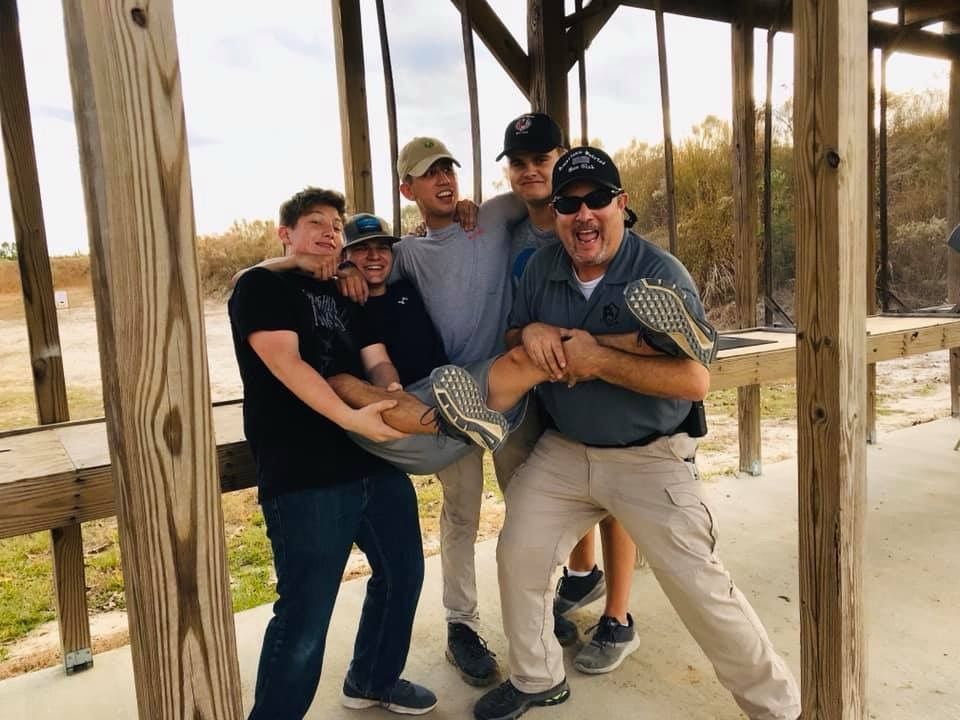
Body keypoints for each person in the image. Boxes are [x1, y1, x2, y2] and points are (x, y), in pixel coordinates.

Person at [473, 148, 800, 720]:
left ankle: (778, 708)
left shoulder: (659, 272)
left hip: (651, 455)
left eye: (598, 198)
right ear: (555, 213)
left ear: (621, 204)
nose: (584, 214)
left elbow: (695, 379)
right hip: (566, 450)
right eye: (569, 204)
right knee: (518, 553)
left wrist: (600, 359)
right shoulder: (541, 268)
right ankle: (537, 677)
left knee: (700, 586)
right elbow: (509, 339)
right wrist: (533, 330)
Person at [228, 187, 436, 718]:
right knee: (305, 616)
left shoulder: (348, 292)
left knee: (404, 572)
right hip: (305, 472)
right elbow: (288, 364)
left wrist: (391, 394)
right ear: (286, 233)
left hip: (370, 458)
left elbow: (376, 357)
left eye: (337, 226)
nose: (329, 232)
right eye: (315, 222)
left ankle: (372, 678)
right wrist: (348, 416)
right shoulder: (259, 286)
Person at [498, 112, 640, 672]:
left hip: (589, 382)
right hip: (527, 385)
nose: (531, 171)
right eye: (520, 161)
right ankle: (579, 577)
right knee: (541, 498)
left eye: (543, 158)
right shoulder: (498, 224)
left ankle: (619, 615)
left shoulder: (597, 225)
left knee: (610, 492)